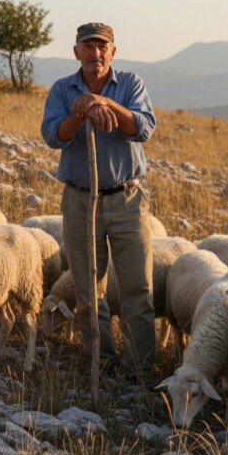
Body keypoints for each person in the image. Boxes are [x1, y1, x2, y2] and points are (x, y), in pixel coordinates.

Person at [40, 22, 157, 384]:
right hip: (80, 200)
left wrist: (104, 102)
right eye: (88, 47)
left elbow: (143, 127)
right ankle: (101, 368)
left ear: (113, 51)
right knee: (90, 291)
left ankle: (140, 372)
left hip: (127, 199)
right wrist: (82, 113)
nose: (96, 54)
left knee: (139, 289)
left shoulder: (131, 84)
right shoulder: (62, 89)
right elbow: (52, 136)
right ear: (76, 52)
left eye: (102, 47)